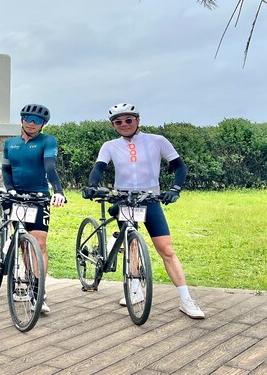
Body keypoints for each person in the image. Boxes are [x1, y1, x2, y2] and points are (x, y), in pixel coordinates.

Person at [84, 102, 204, 319]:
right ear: (113, 125)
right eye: (118, 122)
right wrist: (92, 185)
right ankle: (135, 288)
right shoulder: (109, 146)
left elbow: (179, 166)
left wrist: (175, 189)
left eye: (129, 120)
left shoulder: (158, 141)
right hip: (124, 199)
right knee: (131, 245)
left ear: (138, 120)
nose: (124, 124)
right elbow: (98, 168)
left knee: (166, 250)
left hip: (150, 199)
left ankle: (186, 299)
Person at [1, 103, 66, 315]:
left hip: (39, 196)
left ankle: (39, 290)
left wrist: (58, 191)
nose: (31, 123)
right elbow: (6, 169)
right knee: (23, 243)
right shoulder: (10, 143)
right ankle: (29, 280)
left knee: (39, 243)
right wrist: (10, 190)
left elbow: (49, 166)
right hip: (16, 196)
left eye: (37, 121)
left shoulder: (48, 141)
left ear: (43, 124)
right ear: (21, 120)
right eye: (28, 118)